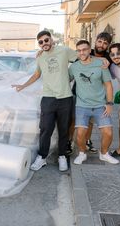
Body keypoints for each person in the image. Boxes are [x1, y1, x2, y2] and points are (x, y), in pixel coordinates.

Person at [11, 30, 77, 172]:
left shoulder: (64, 51)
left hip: (65, 97)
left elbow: (81, 58)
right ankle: (42, 158)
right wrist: (23, 85)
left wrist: (101, 60)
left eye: (46, 40)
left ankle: (62, 157)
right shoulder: (40, 57)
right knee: (45, 129)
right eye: (40, 42)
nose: (44, 43)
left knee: (63, 130)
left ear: (51, 40)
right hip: (47, 98)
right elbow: (37, 74)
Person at [69, 40, 119, 165]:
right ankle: (82, 153)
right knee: (80, 133)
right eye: (79, 50)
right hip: (82, 105)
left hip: (100, 105)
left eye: (84, 49)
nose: (82, 52)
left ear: (89, 49)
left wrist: (109, 103)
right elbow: (64, 80)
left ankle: (104, 154)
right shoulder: (74, 67)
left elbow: (108, 85)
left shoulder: (100, 63)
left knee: (108, 132)